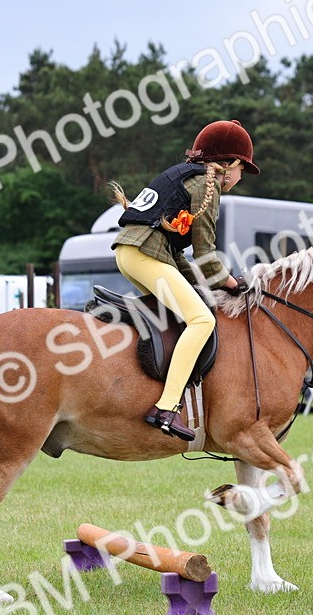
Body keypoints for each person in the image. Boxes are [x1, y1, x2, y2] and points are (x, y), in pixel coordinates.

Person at [109, 119, 258, 441]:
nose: (240, 177)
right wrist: (232, 283)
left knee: (179, 315)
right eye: (242, 169)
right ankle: (166, 407)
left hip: (130, 253)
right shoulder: (206, 186)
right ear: (228, 165)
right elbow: (205, 254)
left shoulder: (182, 175)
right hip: (145, 255)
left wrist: (207, 284)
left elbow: (176, 256)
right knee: (202, 321)